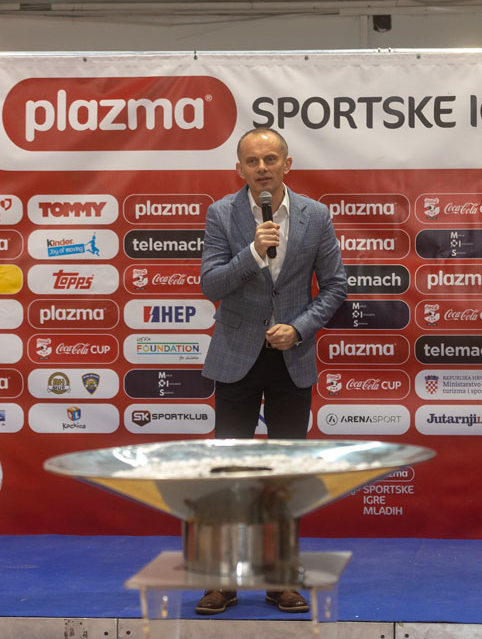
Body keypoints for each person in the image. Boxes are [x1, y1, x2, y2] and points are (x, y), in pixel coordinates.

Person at [195, 128, 347, 614]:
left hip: (291, 358)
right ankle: (222, 580)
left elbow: (335, 287)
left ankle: (281, 578)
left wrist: (299, 329)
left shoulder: (316, 215)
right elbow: (211, 284)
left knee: (286, 474)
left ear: (287, 163)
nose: (262, 167)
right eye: (252, 161)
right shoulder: (222, 214)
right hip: (235, 356)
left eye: (270, 159)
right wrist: (253, 253)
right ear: (239, 168)